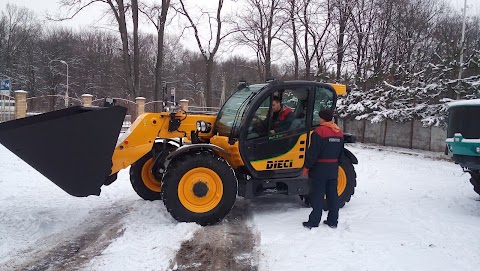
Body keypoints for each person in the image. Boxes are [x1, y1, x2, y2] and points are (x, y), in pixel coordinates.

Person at [302, 109, 344, 229]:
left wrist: (307, 166)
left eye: (319, 117)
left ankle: (314, 221)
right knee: (332, 195)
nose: (318, 119)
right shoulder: (339, 132)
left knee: (318, 195)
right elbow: (341, 153)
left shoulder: (319, 131)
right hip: (333, 168)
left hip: (320, 169)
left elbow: (313, 152)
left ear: (322, 118)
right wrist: (336, 164)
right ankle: (333, 220)